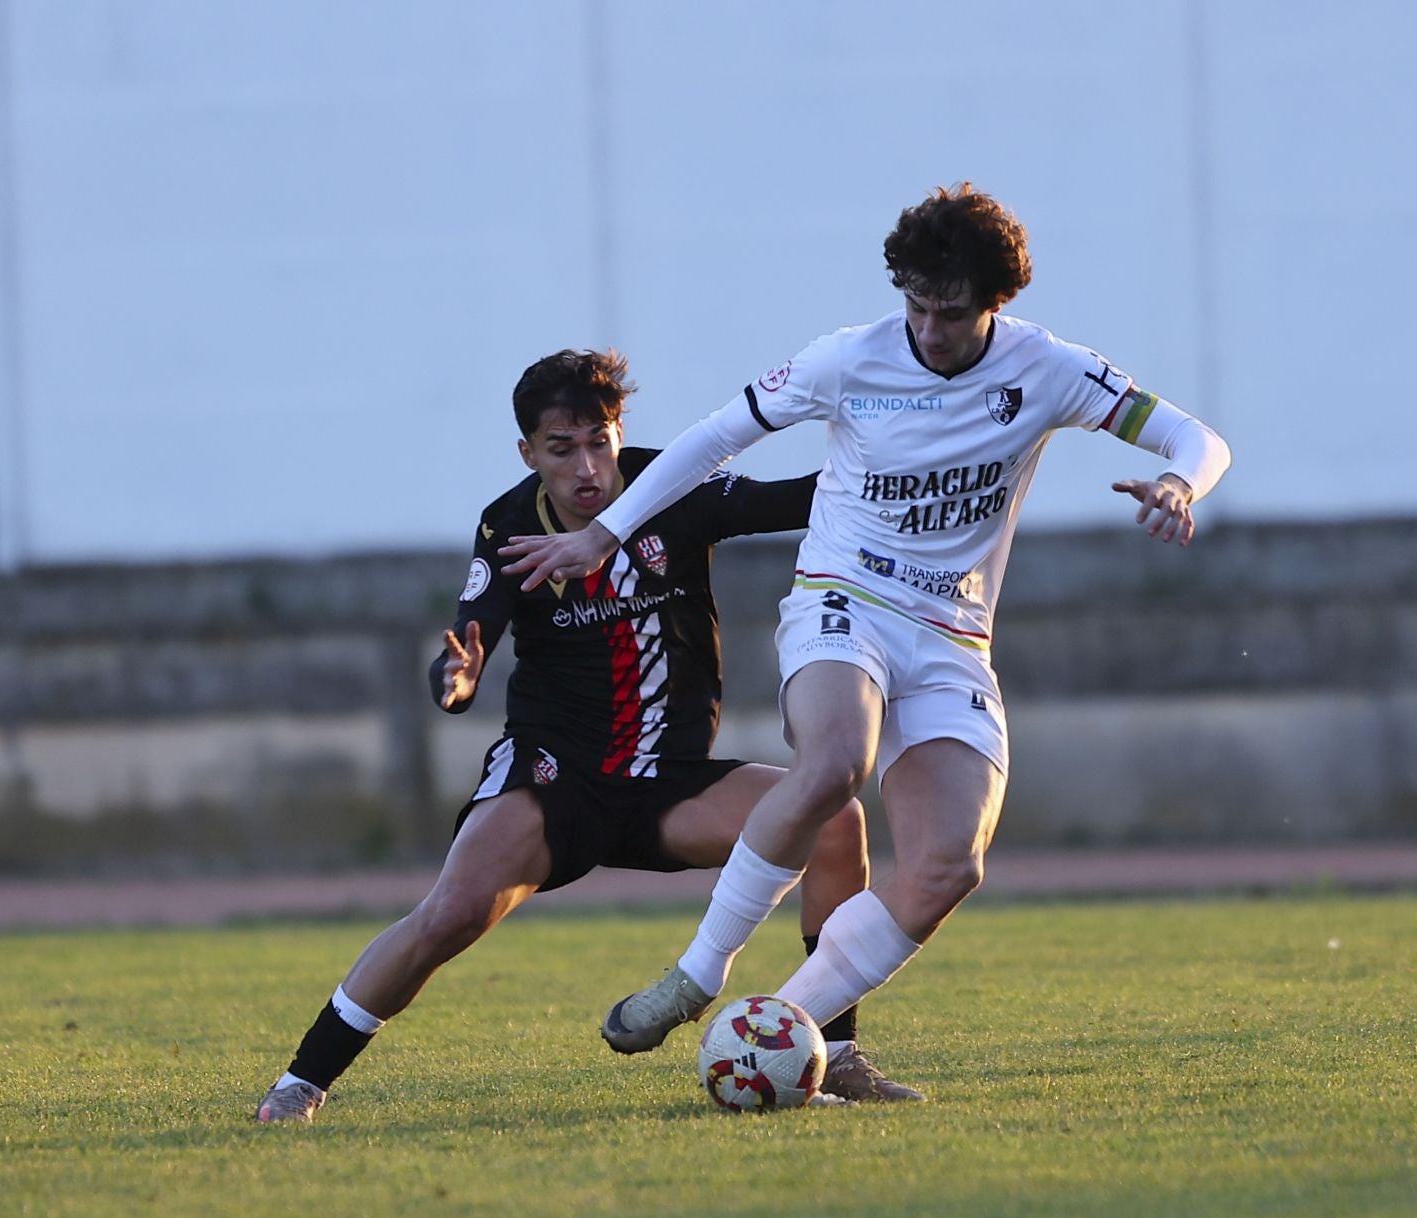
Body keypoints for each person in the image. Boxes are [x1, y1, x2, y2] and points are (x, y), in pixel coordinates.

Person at [500, 184, 1233, 1085]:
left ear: (996, 303)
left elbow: (1195, 437)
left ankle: (786, 1029)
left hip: (953, 635)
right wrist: (600, 537)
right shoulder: (850, 360)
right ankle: (699, 973)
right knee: (836, 762)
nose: (928, 330)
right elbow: (715, 439)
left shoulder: (1049, 370)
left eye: (951, 313)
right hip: (842, 600)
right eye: (916, 305)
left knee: (946, 869)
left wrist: (1180, 484)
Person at [255, 348, 920, 1124]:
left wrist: (920, 457)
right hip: (551, 779)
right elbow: (470, 638)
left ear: (619, 434)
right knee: (450, 915)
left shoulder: (674, 486)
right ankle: (301, 1083)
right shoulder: (509, 523)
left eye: (599, 441)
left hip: (666, 782)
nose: (586, 468)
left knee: (837, 820)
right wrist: (457, 675)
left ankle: (835, 1056)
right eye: (561, 449)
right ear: (529, 454)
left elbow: (799, 500)